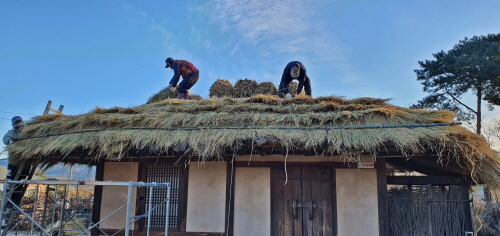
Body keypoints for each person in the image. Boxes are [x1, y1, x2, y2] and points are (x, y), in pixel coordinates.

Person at [2, 116, 28, 211]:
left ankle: (15, 202)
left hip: (25, 161)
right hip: (13, 161)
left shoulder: (28, 130)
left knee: (20, 182)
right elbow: (5, 139)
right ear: (13, 124)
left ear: (22, 121)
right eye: (16, 123)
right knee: (10, 182)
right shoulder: (11, 132)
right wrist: (10, 141)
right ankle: (8, 203)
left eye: (19, 122)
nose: (18, 124)